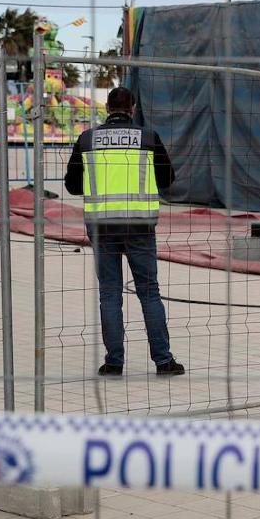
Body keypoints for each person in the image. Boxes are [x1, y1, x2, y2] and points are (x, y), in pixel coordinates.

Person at [65, 87, 184, 377]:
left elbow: (72, 185)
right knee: (149, 293)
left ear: (107, 107)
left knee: (109, 294)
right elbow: (168, 178)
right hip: (139, 226)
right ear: (133, 108)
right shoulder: (148, 137)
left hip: (102, 226)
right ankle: (163, 361)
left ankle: (114, 363)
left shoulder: (87, 139)